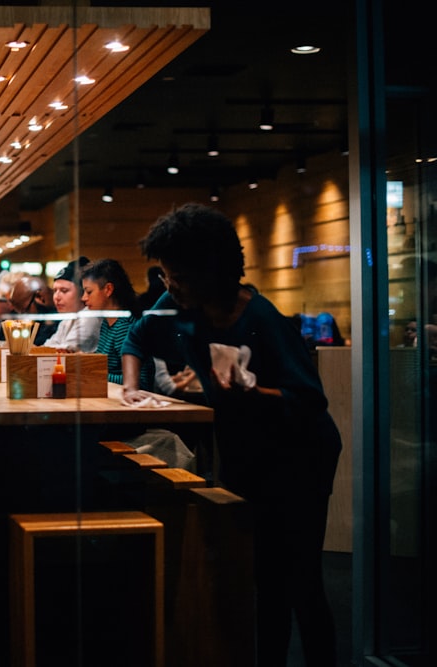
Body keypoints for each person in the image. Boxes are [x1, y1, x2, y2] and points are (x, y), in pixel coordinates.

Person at [119, 203, 341, 666]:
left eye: (176, 275)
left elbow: (308, 401)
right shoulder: (181, 308)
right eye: (164, 275)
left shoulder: (262, 318)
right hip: (246, 452)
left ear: (208, 270)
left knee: (300, 578)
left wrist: (251, 392)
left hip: (300, 456)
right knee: (261, 576)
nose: (168, 285)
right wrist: (132, 389)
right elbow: (136, 339)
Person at [81, 258, 153, 389]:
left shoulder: (124, 326)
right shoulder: (107, 323)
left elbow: (140, 381)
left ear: (108, 289)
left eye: (89, 292)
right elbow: (106, 365)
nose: (84, 298)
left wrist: (90, 374)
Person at [42, 257, 101, 352]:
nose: (56, 297)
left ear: (81, 293)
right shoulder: (68, 319)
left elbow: (65, 353)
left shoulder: (89, 317)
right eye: (55, 291)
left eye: (64, 291)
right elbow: (47, 348)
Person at [8, 274, 58, 345]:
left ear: (39, 297)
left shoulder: (63, 316)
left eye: (26, 311)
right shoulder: (42, 320)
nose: (25, 318)